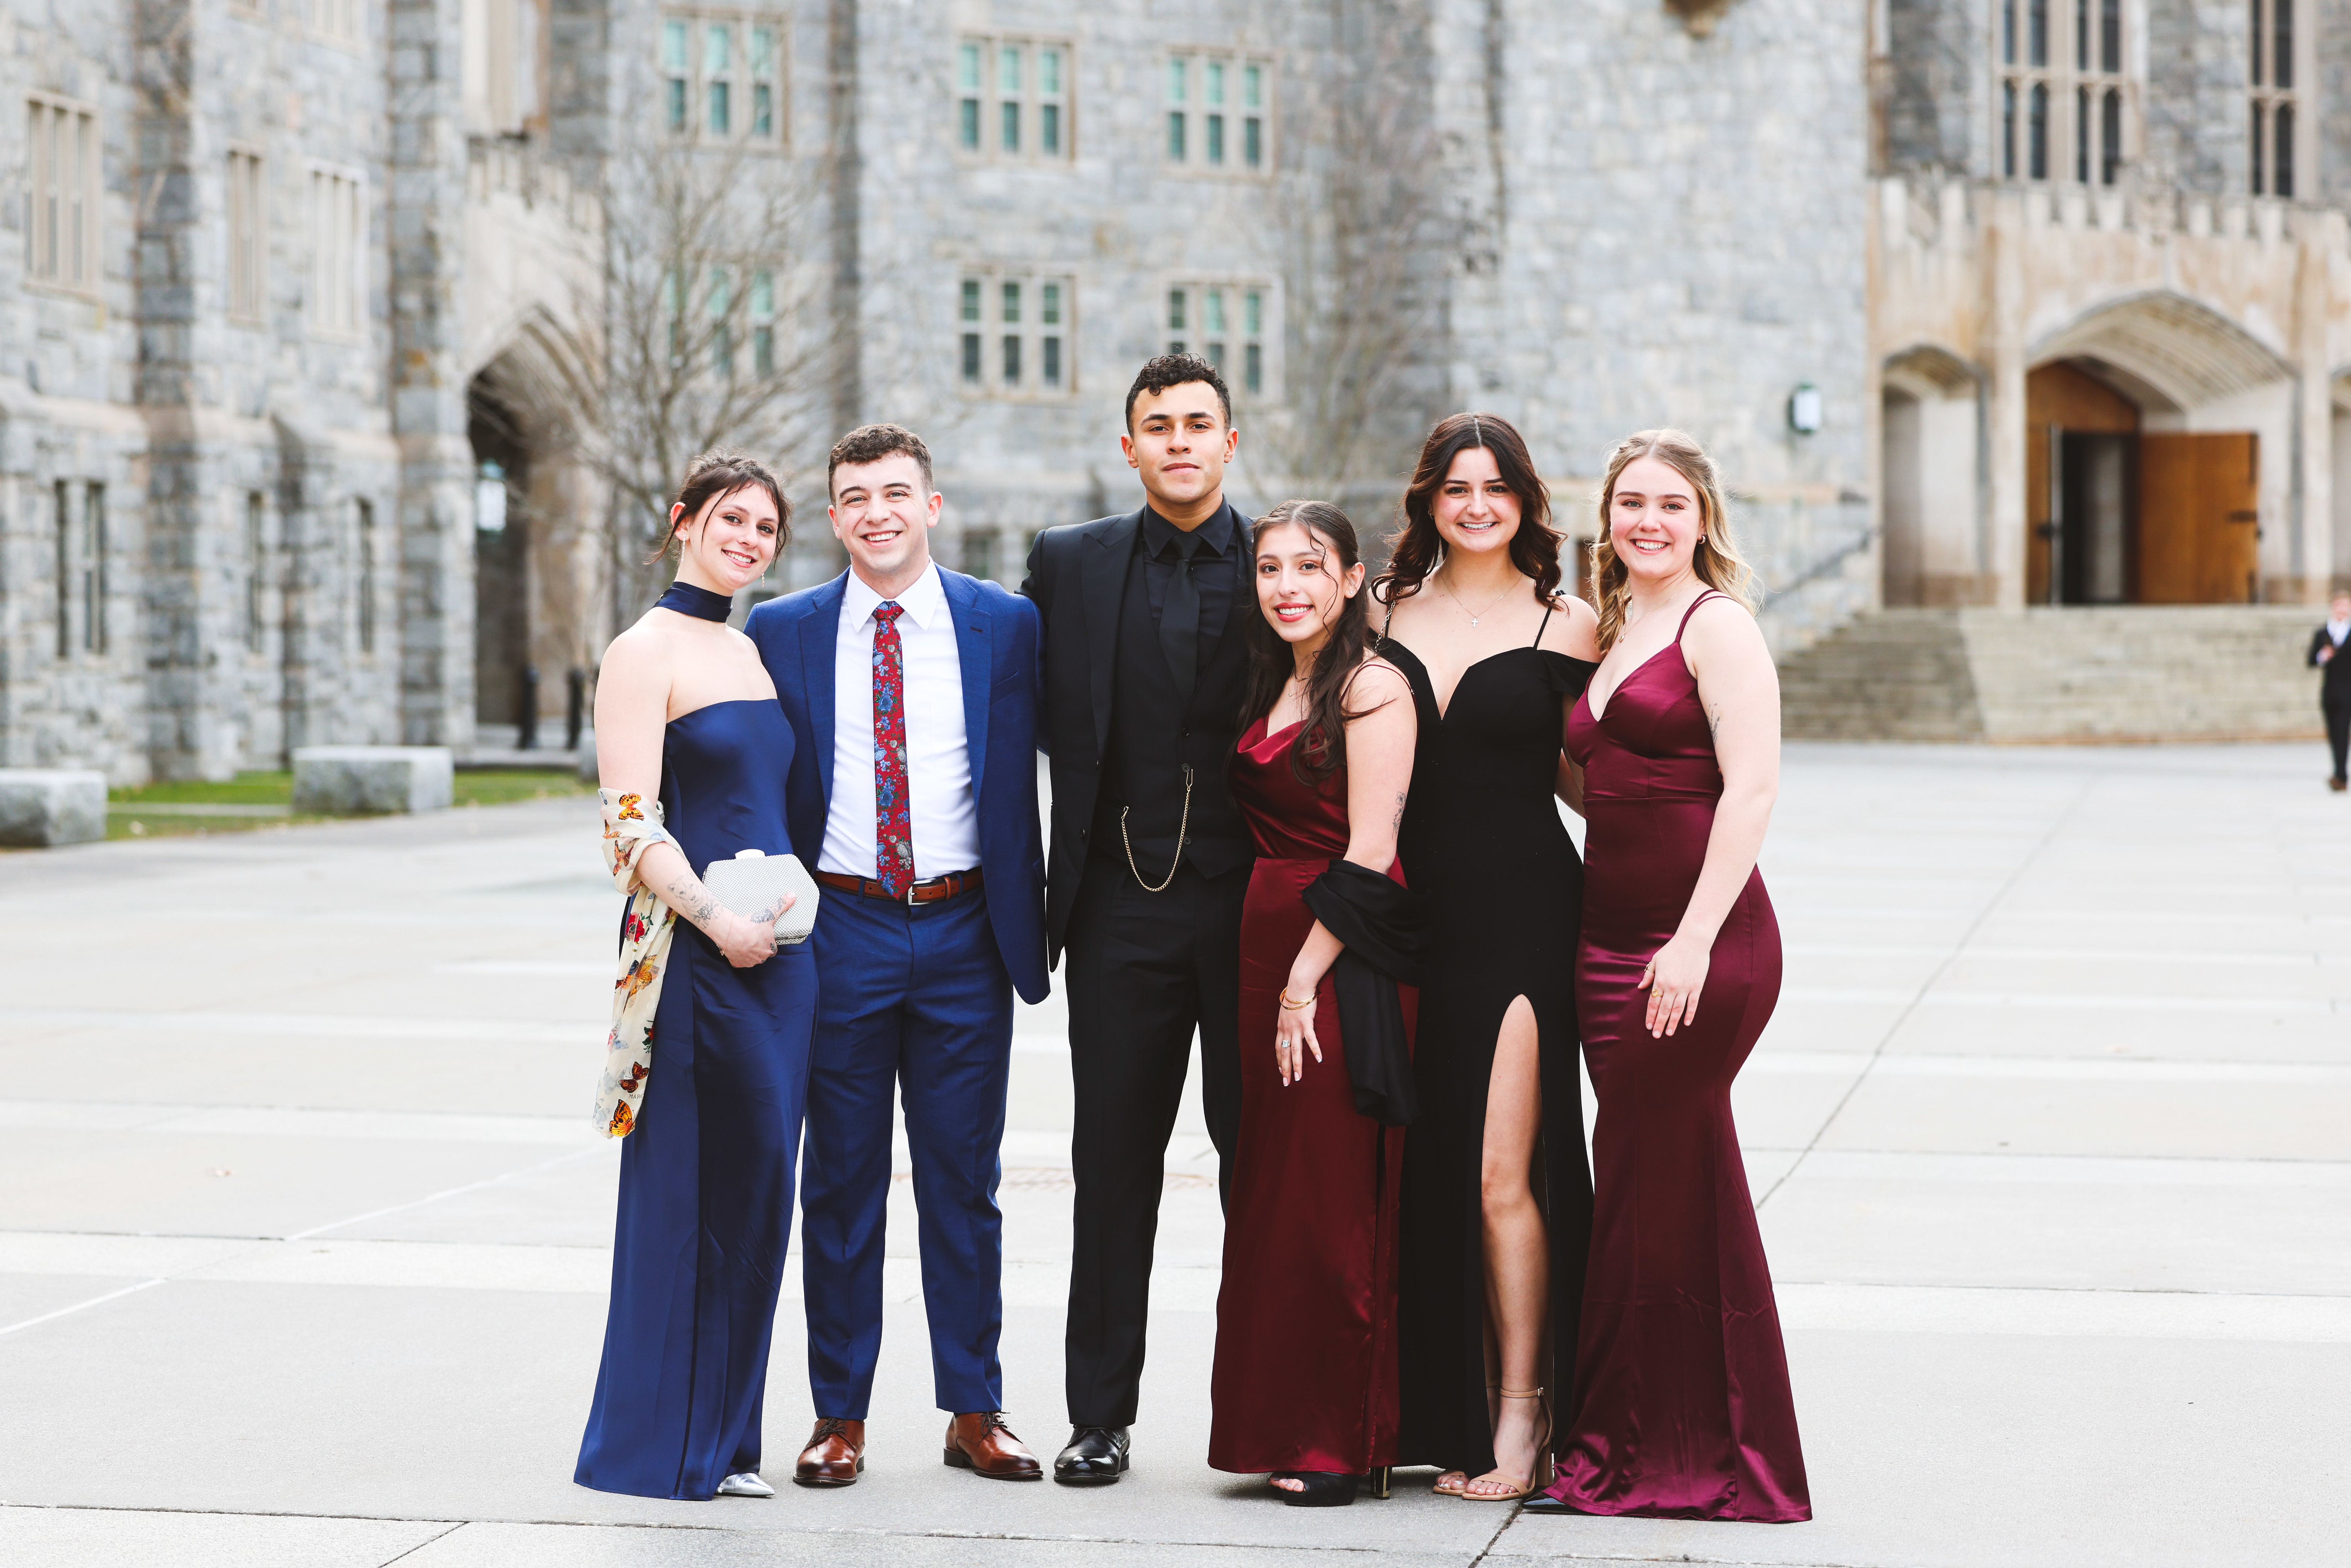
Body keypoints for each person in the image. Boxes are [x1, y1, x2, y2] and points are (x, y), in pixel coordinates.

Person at [745, 424, 1050, 1487]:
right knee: (840, 1182)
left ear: (931, 504)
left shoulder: (1006, 626)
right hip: (842, 926)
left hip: (967, 927)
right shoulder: (782, 628)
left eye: (895, 492)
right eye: (854, 497)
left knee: (965, 1183)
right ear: (834, 518)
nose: (876, 511)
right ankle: (841, 1415)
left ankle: (976, 1406)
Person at [1525, 429, 1810, 1522]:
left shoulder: (1716, 625)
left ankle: (1666, 1452)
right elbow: (1603, 786)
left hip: (1700, 947)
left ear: (1702, 520)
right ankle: (1643, 1440)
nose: (1648, 520)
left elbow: (1750, 793)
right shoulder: (1616, 627)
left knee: (1661, 1185)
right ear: (1606, 517)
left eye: (1670, 505)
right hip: (1608, 941)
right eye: (1631, 502)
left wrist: (1690, 940)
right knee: (1648, 1186)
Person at [1021, 354, 1256, 1485]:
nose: (1176, 440)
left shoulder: (1288, 560)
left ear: (1228, 439)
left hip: (1257, 914)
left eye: (1196, 423)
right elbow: (995, 696)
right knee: (1112, 1166)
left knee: (1266, 1167)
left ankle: (1277, 1412)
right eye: (1156, 425)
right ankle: (1097, 1417)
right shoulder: (1068, 564)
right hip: (1116, 913)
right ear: (1128, 446)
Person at [576, 453, 816, 1501]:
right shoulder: (644, 650)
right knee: (692, 1196)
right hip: (701, 962)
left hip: (781, 966)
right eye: (732, 517)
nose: (750, 537)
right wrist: (719, 920)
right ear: (683, 521)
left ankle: (727, 1440)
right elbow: (628, 824)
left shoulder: (751, 650)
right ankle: (661, 1447)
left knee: (762, 1194)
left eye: (766, 526)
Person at [1373, 413, 1599, 1503]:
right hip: (1409, 918)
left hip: (1521, 917)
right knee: (1418, 1171)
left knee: (1502, 1172)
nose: (1474, 504)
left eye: (1494, 487)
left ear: (1523, 501)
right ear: (1428, 500)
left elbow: (1594, 781)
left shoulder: (1572, 624)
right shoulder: (1378, 611)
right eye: (1454, 487)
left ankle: (1524, 1412)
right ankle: (1430, 1407)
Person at [1208, 501, 1419, 1508]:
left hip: (1338, 961)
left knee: (1333, 1197)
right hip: (1267, 959)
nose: (1287, 584)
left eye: (1309, 566)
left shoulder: (1372, 684)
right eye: (1270, 568)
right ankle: (1276, 1422)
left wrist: (1304, 976)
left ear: (1349, 579)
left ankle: (1343, 1439)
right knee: (1276, 1197)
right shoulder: (1280, 679)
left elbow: (1372, 850)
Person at [2311, 588, 2351, 792]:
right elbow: (2310, 661)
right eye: (2338, 605)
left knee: (2343, 733)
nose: (2342, 609)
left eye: (2346, 605)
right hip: (2330, 693)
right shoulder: (2322, 634)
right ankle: (2339, 772)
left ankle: (2341, 776)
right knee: (2334, 734)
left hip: (2349, 693)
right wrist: (2321, 657)